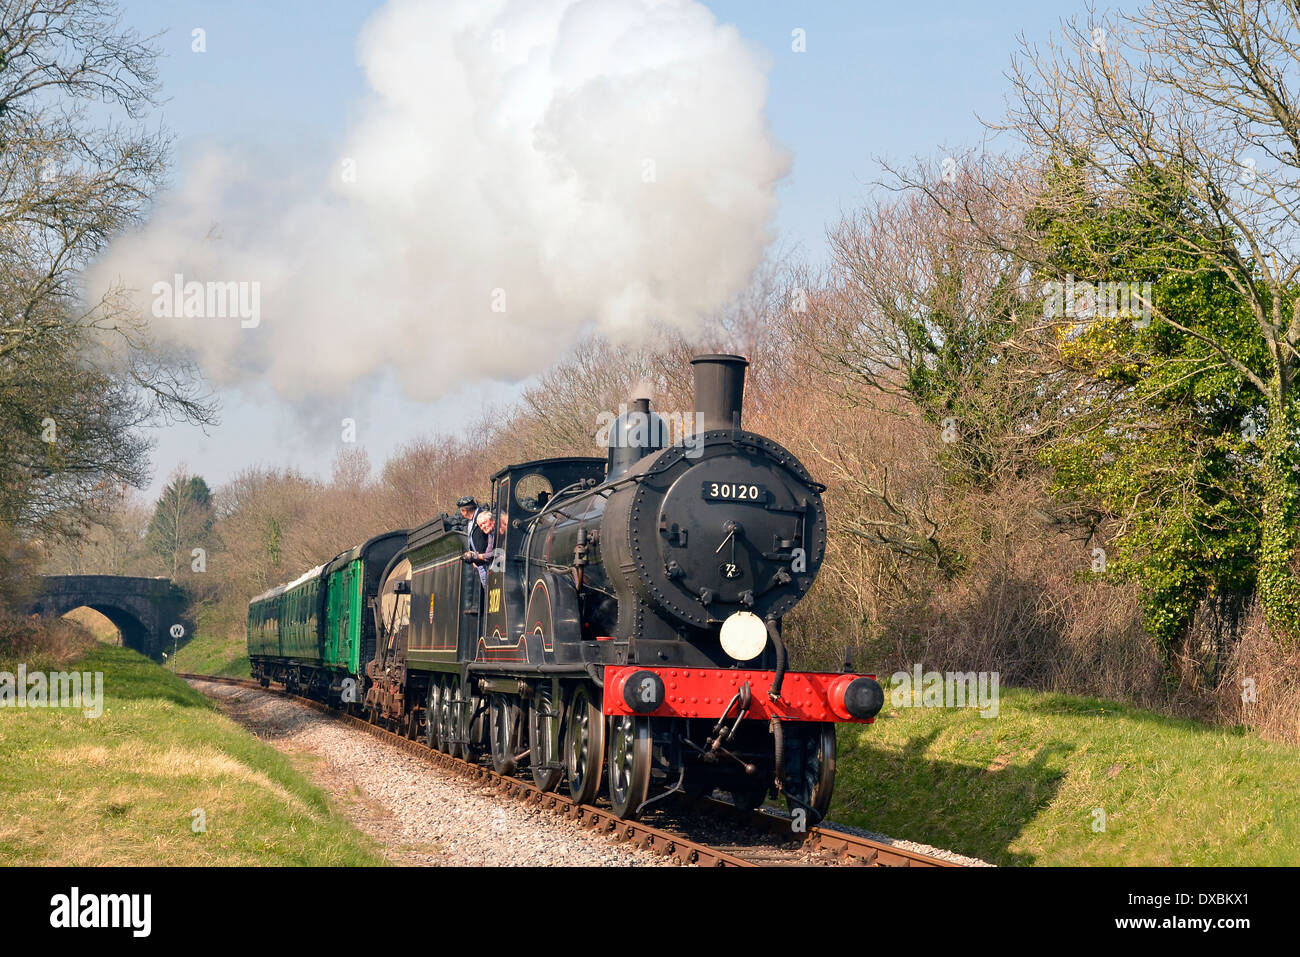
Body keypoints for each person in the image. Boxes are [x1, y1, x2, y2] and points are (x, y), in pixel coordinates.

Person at [463, 510, 496, 593]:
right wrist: (474, 557)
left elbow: (495, 553)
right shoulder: (491, 535)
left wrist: (478, 556)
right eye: (480, 526)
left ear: (492, 520)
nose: (483, 527)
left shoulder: (498, 531)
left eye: (484, 523)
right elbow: (489, 553)